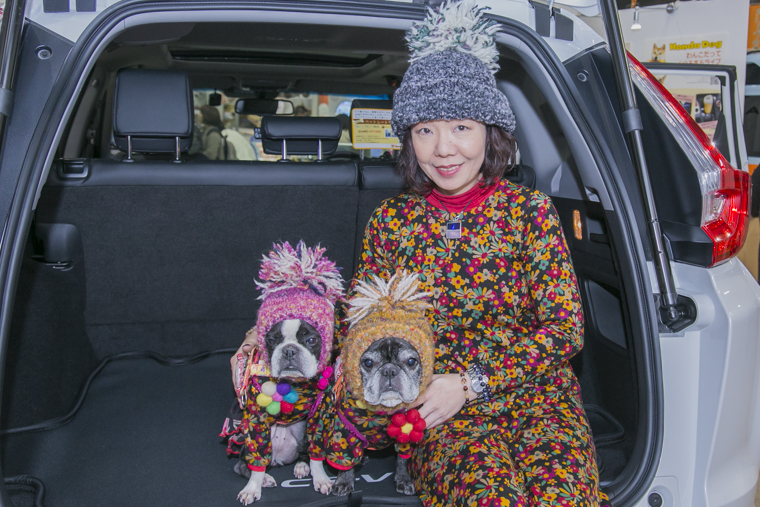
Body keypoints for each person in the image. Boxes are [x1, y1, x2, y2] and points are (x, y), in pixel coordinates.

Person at [233, 1, 610, 505]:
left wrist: (473, 382)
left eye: (461, 127)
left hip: (538, 399)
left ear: (489, 133)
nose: (443, 148)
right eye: (425, 130)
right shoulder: (393, 222)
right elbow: (361, 326)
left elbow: (563, 331)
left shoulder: (530, 211)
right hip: (434, 409)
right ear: (409, 142)